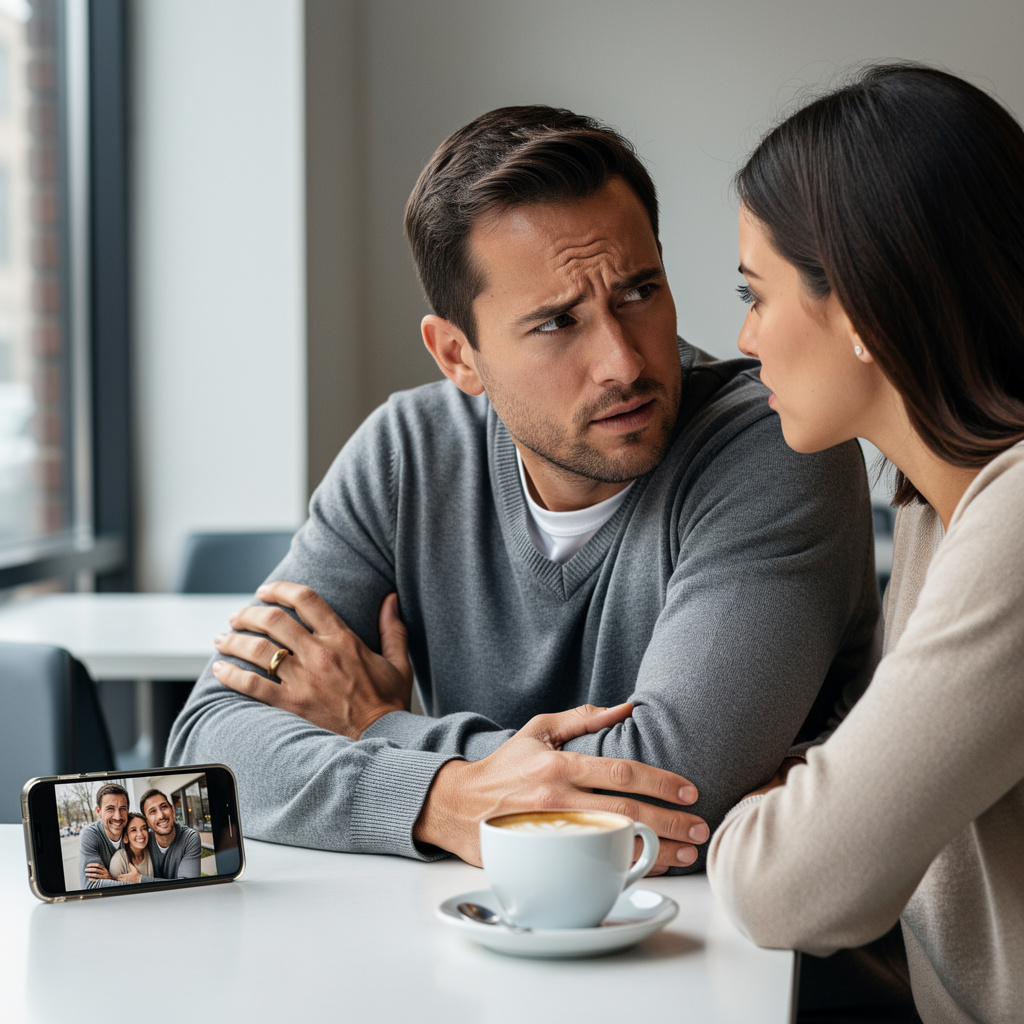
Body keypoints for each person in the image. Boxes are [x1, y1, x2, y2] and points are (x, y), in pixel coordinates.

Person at [168, 105, 880, 869]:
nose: (624, 362)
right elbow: (209, 743)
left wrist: (377, 728)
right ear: (457, 356)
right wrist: (441, 799)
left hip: (750, 968)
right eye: (556, 324)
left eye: (639, 292)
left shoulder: (774, 442)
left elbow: (666, 790)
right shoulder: (406, 454)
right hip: (475, 951)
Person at [707, 64, 1024, 1024]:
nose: (746, 338)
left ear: (857, 308)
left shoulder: (1014, 524)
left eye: (756, 294)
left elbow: (792, 885)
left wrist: (750, 818)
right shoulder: (938, 509)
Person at [140, 790, 202, 879]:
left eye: (164, 807)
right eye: (153, 811)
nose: (161, 816)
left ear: (173, 810)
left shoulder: (189, 837)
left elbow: (188, 885)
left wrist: (140, 879)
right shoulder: (144, 842)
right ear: (147, 822)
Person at [78, 783, 129, 889]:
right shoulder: (90, 834)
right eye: (110, 809)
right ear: (99, 812)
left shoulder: (134, 830)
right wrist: (139, 882)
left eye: (122, 808)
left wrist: (109, 881)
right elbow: (90, 886)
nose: (117, 816)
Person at [108, 811, 155, 884]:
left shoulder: (149, 852)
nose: (140, 834)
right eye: (133, 830)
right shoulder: (119, 860)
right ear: (126, 838)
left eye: (144, 828)